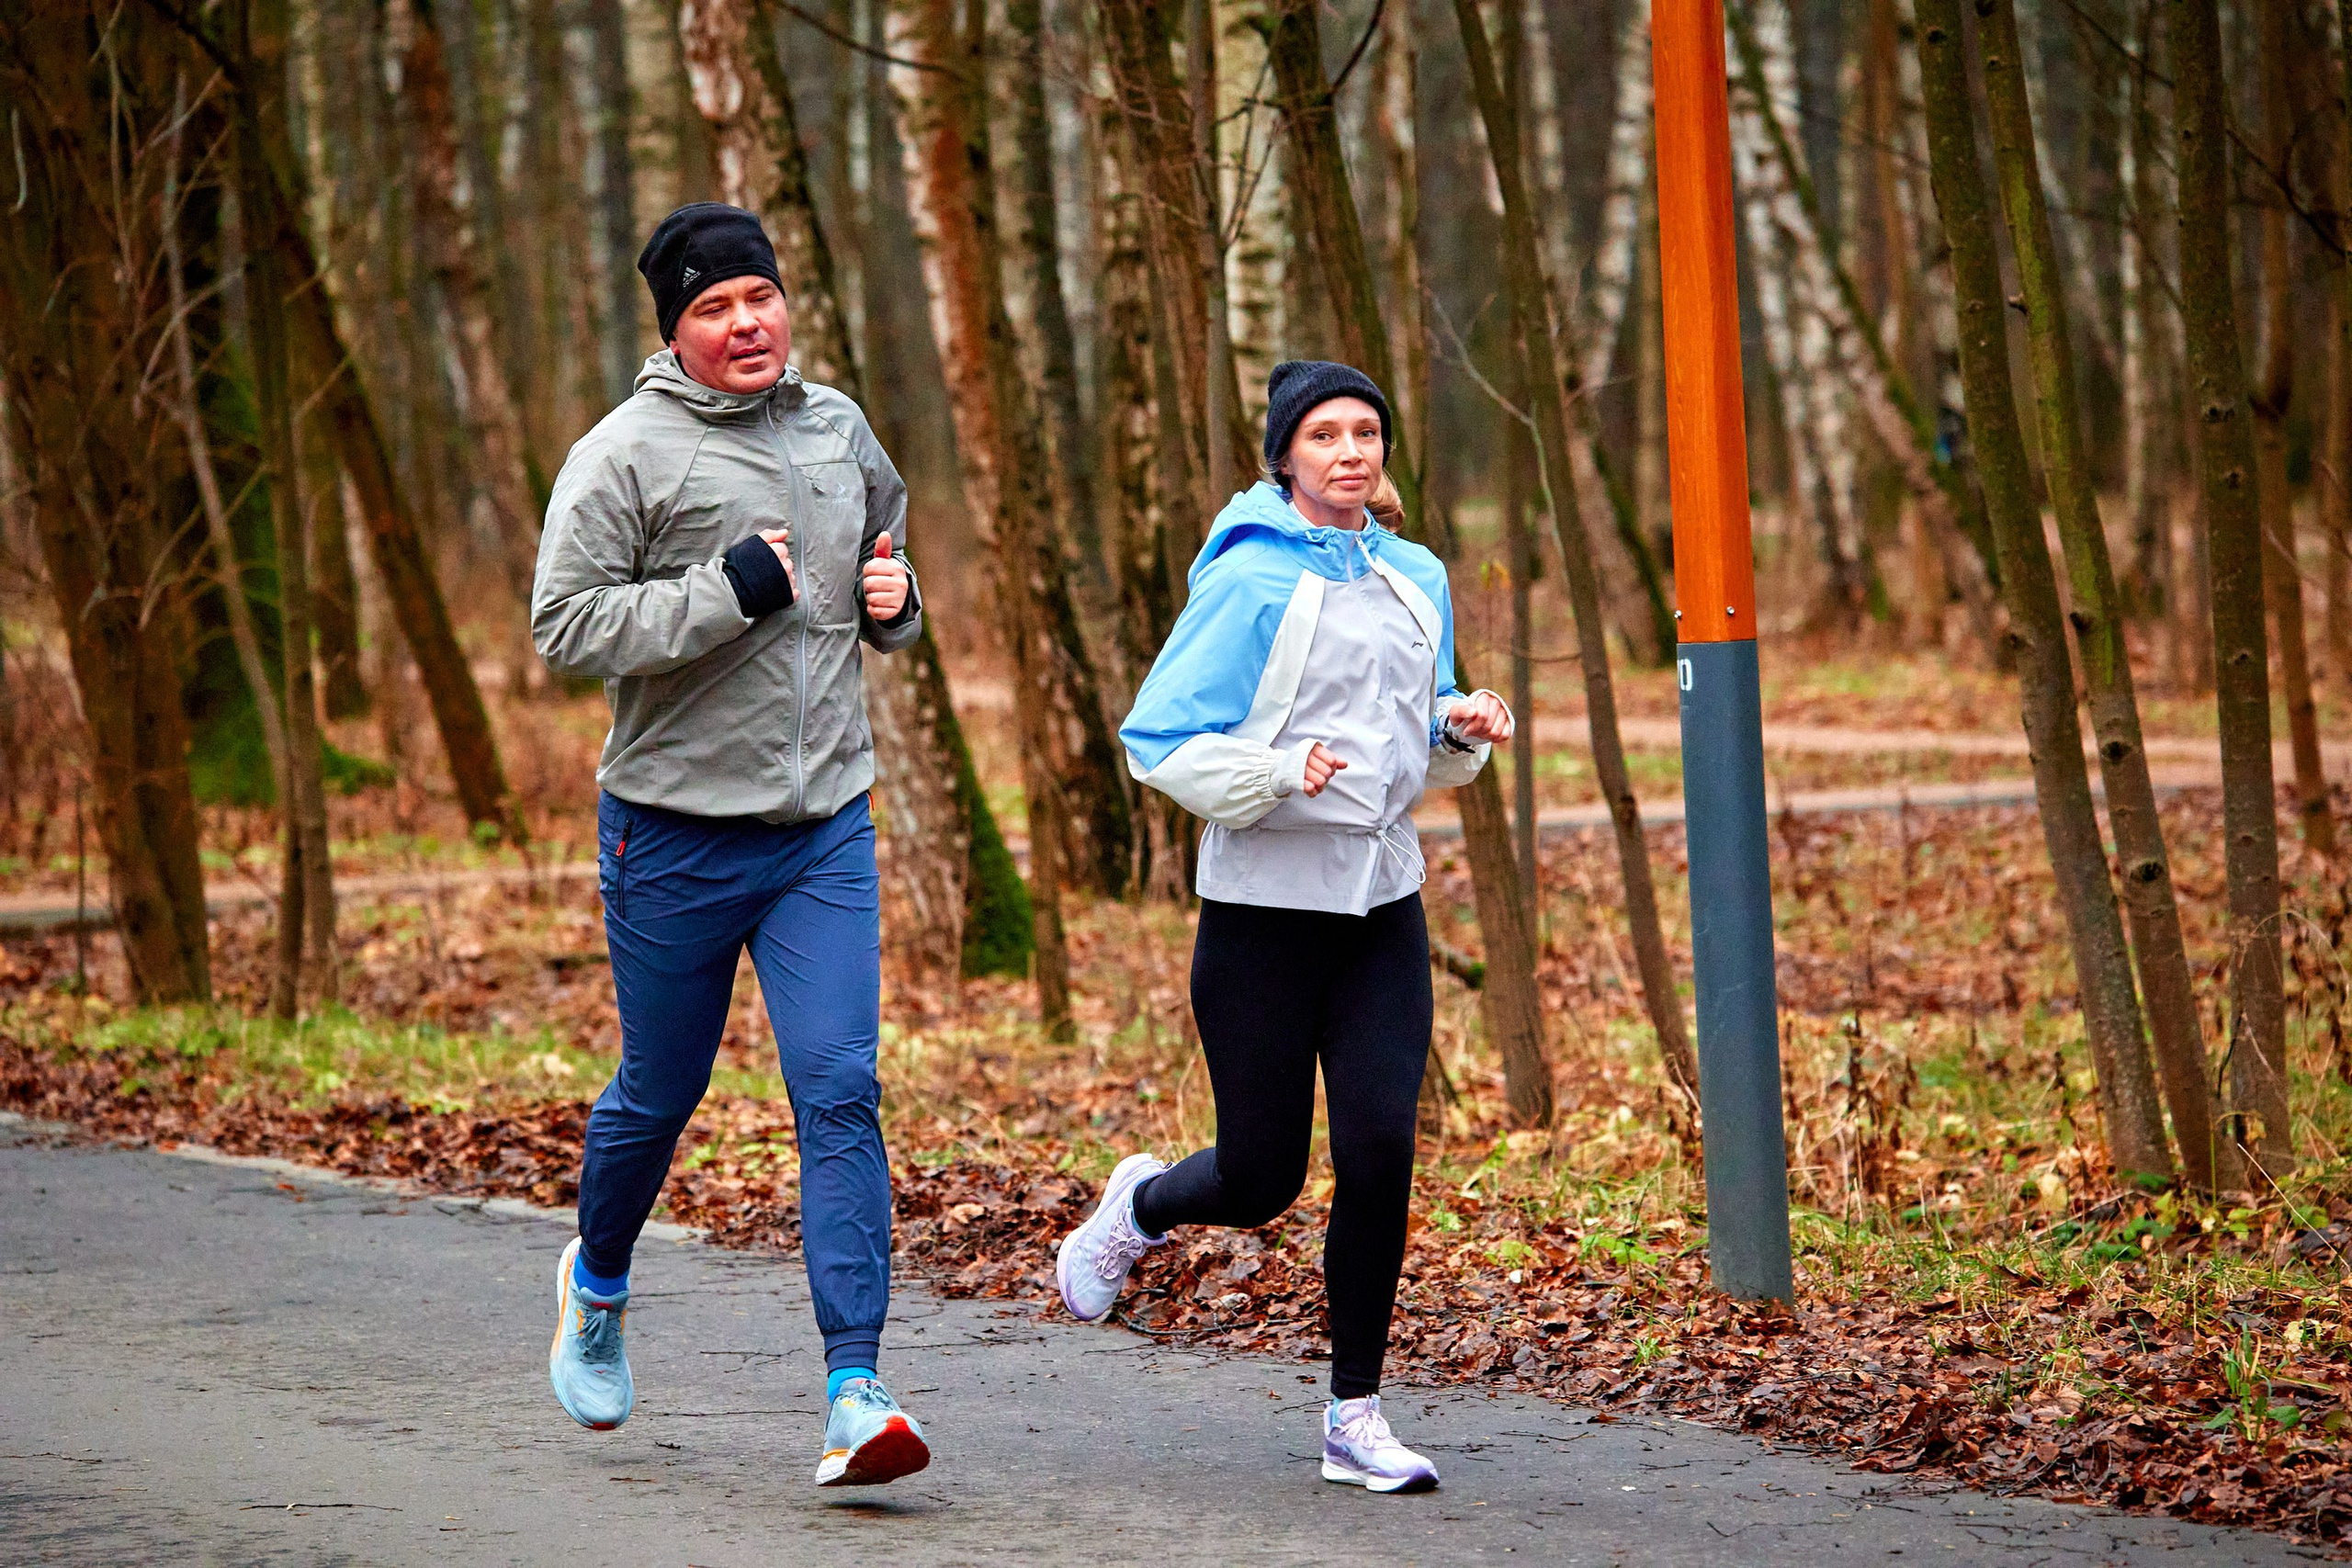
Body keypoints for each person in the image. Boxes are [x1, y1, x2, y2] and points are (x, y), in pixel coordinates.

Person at [1056, 360, 1513, 1495]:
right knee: (1262, 1177)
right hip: (1262, 914)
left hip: (1381, 909)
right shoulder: (1249, 580)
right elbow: (1155, 739)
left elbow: (1413, 750)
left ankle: (1353, 1414)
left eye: (1366, 433)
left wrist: (1463, 728)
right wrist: (1274, 771)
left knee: (1380, 1149)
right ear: (1285, 457)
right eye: (1325, 435)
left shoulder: (1415, 575)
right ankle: (1139, 1207)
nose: (1350, 452)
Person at [531, 202, 931, 1488]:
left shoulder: (836, 427)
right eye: (715, 306)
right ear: (677, 330)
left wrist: (898, 602)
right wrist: (726, 593)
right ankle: (595, 1284)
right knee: (662, 1091)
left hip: (823, 829)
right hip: (674, 836)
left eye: (759, 296)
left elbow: (880, 544)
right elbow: (565, 627)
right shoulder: (621, 455)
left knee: (840, 1086)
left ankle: (856, 1390)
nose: (747, 321)